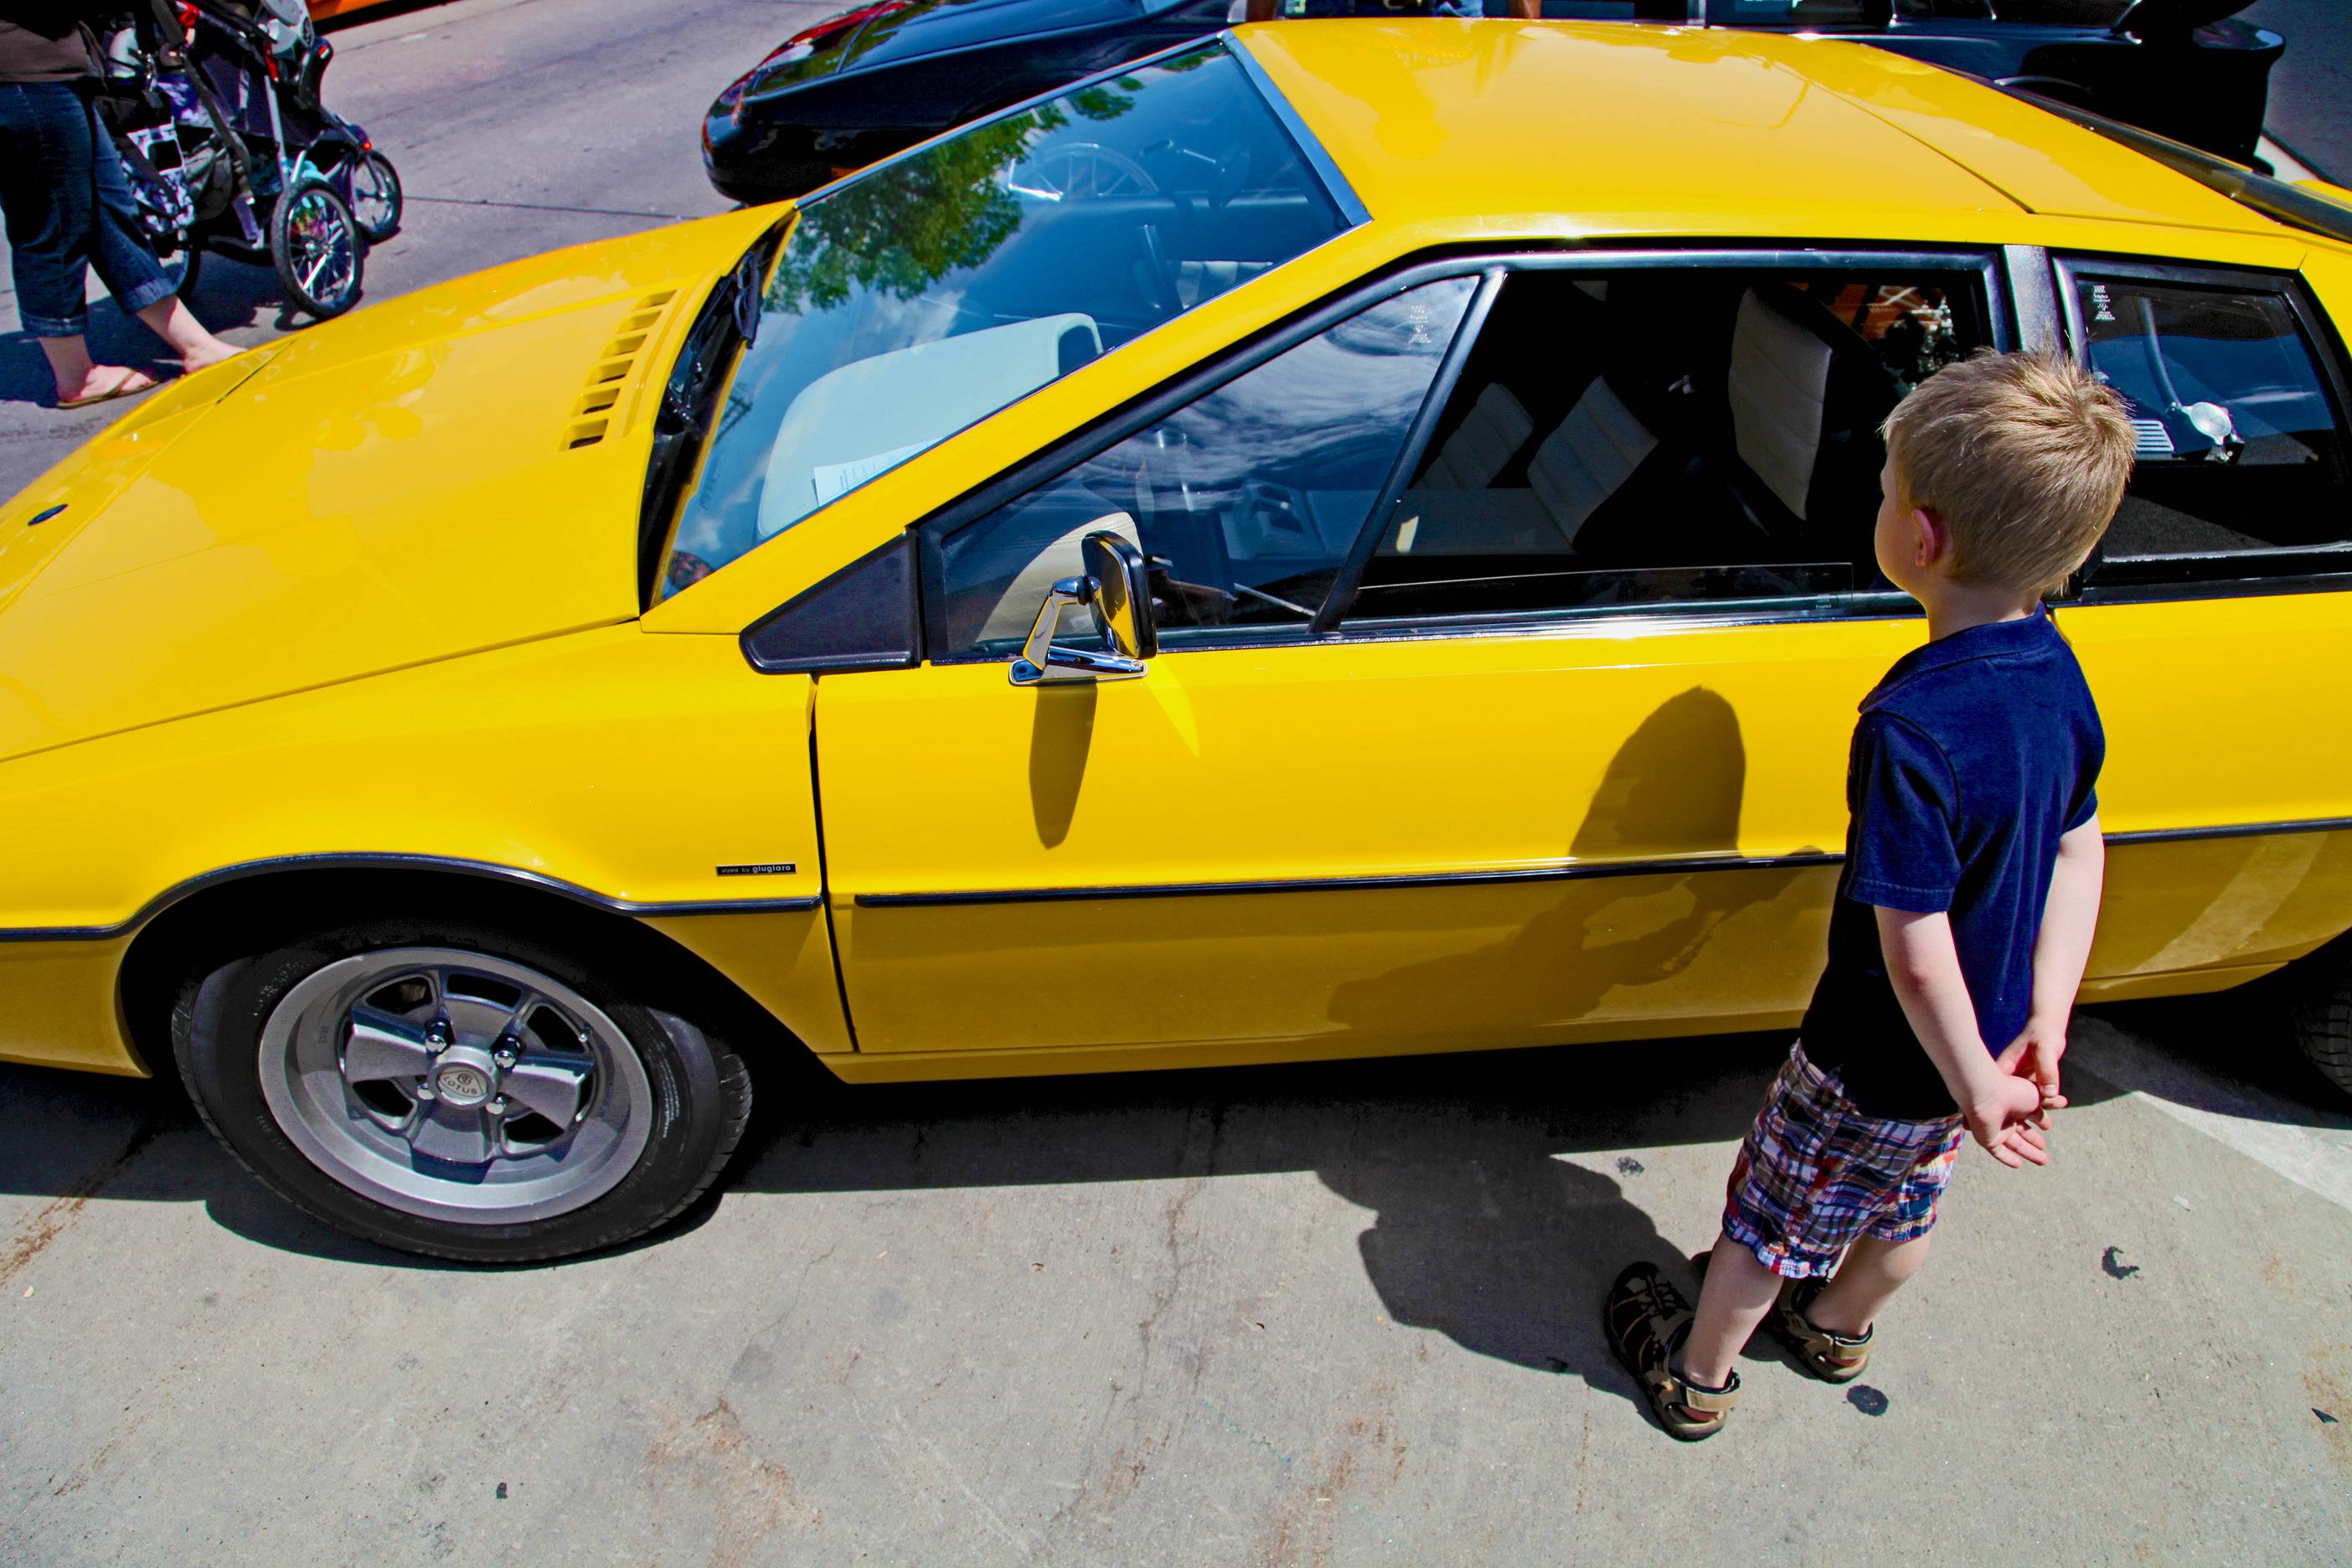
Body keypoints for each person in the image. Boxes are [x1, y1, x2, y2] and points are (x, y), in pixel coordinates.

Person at [1603, 350, 2137, 1441]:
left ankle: (1699, 1373)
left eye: (1886, 491)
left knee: (1765, 1224)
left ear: (1920, 540)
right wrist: (2032, 1031)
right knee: (1906, 1210)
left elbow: (1914, 947)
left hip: (1864, 1057)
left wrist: (1975, 1084)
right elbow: (2082, 853)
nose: (1879, 504)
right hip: (1973, 1050)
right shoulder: (2059, 670)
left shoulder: (1910, 727)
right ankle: (1838, 1328)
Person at [0, 2, 239, 409]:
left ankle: (195, 344)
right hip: (23, 79)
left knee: (110, 211)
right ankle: (75, 377)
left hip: (50, 74)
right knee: (52, 223)